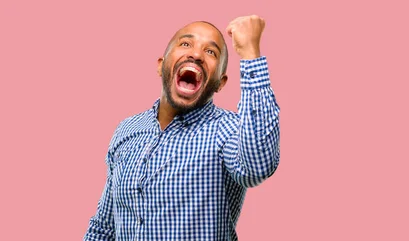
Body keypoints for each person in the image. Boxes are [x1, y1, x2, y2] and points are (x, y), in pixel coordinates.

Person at [83, 15, 280, 241]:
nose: (196, 54)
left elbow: (257, 167)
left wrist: (250, 55)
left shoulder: (228, 130)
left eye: (211, 52)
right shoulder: (127, 130)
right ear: (161, 65)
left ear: (220, 82)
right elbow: (105, 227)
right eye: (186, 44)